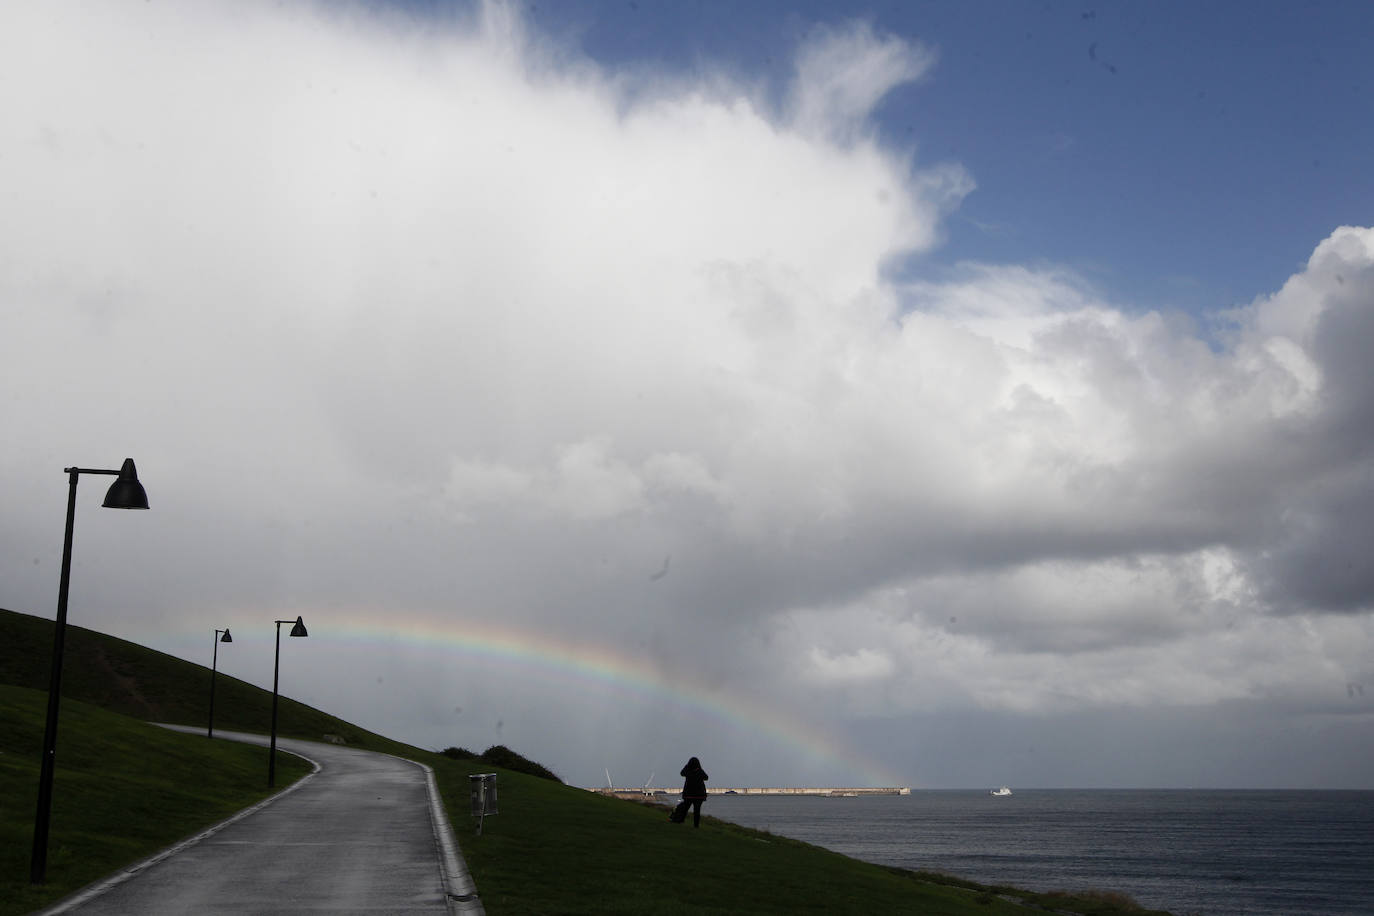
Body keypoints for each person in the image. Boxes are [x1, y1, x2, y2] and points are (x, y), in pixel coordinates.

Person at [670, 756, 709, 827]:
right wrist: (700, 769)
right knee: (697, 811)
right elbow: (706, 778)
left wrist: (686, 766)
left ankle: (680, 820)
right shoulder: (700, 771)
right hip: (699, 795)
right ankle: (696, 825)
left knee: (685, 809)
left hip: (688, 794)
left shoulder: (688, 771)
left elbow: (682, 773)